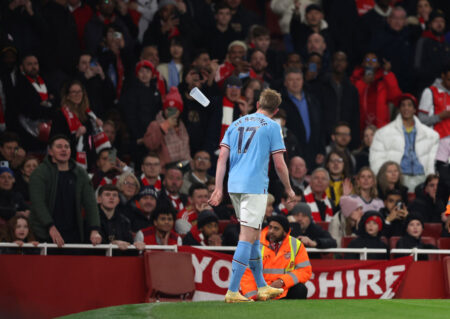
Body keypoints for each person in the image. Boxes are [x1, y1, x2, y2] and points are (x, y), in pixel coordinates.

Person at [209, 88, 295, 303]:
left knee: (255, 236)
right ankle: (232, 290)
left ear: (257, 103)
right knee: (247, 237)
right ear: (275, 110)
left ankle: (261, 287)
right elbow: (279, 164)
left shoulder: (236, 123)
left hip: (233, 186)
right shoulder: (273, 126)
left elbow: (221, 159)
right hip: (254, 187)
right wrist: (289, 188)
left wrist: (218, 188)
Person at [29, 135, 102, 246]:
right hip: (45, 234)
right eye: (59, 147)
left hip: (74, 235)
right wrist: (50, 227)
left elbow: (90, 203)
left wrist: (94, 230)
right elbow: (38, 203)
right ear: (50, 151)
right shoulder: (40, 173)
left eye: (67, 147)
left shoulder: (80, 173)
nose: (64, 149)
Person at [370, 93, 439, 191]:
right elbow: (376, 160)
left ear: (415, 109)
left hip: (422, 178)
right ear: (399, 109)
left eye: (409, 105)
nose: (406, 108)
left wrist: (432, 181)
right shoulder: (384, 133)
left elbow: (432, 162)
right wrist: (383, 183)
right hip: (399, 179)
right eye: (403, 105)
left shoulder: (431, 135)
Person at [240, 214, 312, 300]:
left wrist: (282, 281)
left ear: (285, 232)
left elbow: (304, 271)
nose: (271, 231)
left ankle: (295, 313)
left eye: (276, 228)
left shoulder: (296, 245)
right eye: (270, 227)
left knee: (300, 289)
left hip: (284, 289)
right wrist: (253, 297)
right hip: (262, 291)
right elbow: (247, 274)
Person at [50, 80, 106, 170]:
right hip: (69, 160)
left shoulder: (89, 115)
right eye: (74, 92)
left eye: (79, 91)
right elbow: (55, 139)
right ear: (67, 96)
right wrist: (76, 136)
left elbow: (92, 139)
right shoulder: (60, 115)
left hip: (88, 160)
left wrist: (97, 126)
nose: (77, 94)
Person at [279, 68, 324, 170]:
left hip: (313, 153)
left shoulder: (312, 100)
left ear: (303, 81)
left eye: (298, 79)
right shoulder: (280, 103)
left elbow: (320, 126)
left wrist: (321, 150)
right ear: (285, 83)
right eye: (291, 80)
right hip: (291, 154)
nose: (295, 83)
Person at [418, 65, 450, 195]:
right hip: (437, 145)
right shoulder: (430, 92)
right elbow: (421, 120)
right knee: (441, 185)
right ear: (442, 76)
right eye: (449, 79)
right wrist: (439, 117)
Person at [350, 51, 402, 131]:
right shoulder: (356, 80)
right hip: (360, 129)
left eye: (374, 60)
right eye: (367, 60)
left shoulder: (384, 82)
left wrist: (387, 73)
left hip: (380, 129)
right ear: (363, 64)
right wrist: (363, 83)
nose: (370, 62)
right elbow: (352, 99)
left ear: (378, 64)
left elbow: (396, 97)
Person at [143, 87, 190, 169]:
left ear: (179, 111)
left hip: (183, 167)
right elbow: (150, 145)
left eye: (175, 110)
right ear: (164, 109)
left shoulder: (181, 125)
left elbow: (186, 149)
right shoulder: (155, 124)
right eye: (169, 109)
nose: (172, 113)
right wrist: (164, 127)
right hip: (165, 170)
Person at [97, 184, 145, 251]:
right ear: (99, 199)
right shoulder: (91, 219)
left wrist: (136, 246)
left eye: (114, 195)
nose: (111, 198)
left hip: (119, 259)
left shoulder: (125, 221)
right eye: (107, 195)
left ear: (118, 201)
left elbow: (129, 247)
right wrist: (113, 243)